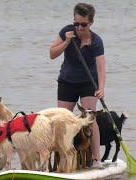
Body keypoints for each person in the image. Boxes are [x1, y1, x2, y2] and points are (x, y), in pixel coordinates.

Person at [49, 3, 106, 169]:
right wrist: (67, 41)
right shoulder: (66, 32)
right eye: (77, 23)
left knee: (89, 119)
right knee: (61, 120)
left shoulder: (96, 41)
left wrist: (101, 89)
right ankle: (59, 161)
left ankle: (96, 160)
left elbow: (101, 70)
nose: (79, 28)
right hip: (67, 81)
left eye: (83, 24)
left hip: (89, 83)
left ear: (91, 23)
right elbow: (52, 54)